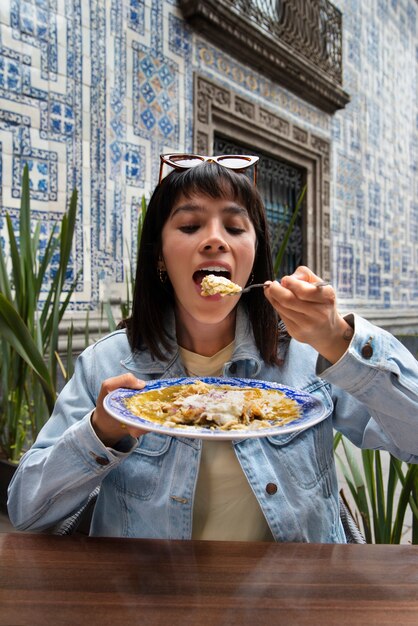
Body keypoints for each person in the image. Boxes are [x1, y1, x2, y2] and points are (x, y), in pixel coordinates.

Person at [7, 153, 418, 542]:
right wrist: (101, 432)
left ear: (254, 257)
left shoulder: (307, 356)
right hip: (152, 599)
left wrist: (341, 342)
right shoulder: (109, 364)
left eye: (235, 228)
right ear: (160, 258)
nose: (215, 240)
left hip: (293, 600)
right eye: (190, 227)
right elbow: (26, 510)